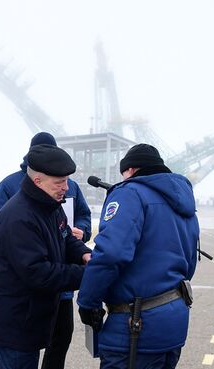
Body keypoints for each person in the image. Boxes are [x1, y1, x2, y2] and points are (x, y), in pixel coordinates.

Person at [77, 144, 200, 369]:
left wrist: (88, 301)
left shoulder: (129, 193)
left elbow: (111, 254)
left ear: (131, 170)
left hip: (135, 327)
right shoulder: (184, 201)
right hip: (173, 321)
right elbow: (190, 263)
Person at [0, 131, 92, 369]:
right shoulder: (18, 217)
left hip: (32, 317)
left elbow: (65, 238)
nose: (66, 188)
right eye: (60, 182)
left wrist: (85, 254)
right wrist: (88, 274)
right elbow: (38, 272)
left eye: (66, 181)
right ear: (37, 181)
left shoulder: (50, 205)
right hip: (15, 324)